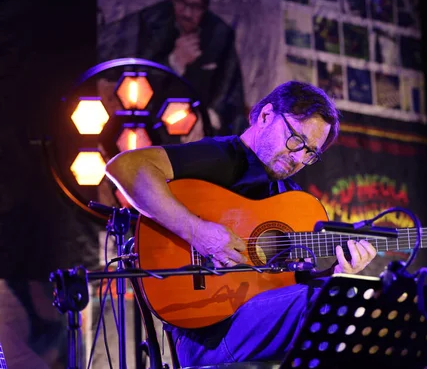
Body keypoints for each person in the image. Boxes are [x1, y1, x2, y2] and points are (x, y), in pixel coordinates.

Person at [105, 81, 377, 366]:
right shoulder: (222, 158)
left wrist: (338, 274)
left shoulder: (292, 200)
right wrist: (198, 232)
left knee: (340, 297)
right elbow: (124, 167)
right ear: (265, 116)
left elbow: (286, 293)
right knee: (329, 301)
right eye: (296, 138)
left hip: (251, 327)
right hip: (204, 334)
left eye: (311, 153)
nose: (299, 157)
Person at [137, 0, 247, 137]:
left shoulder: (220, 34)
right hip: (155, 122)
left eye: (195, 6)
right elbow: (137, 77)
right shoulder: (152, 23)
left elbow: (231, 88)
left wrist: (210, 116)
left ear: (205, 6)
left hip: (202, 125)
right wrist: (175, 61)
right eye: (181, 2)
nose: (187, 13)